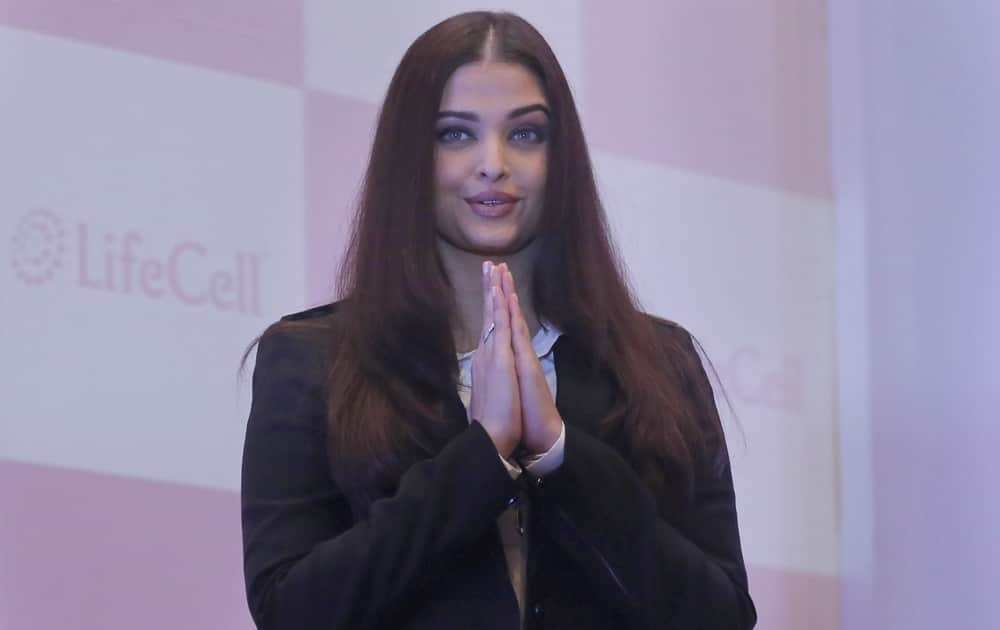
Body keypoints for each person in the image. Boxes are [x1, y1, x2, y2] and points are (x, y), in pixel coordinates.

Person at [240, 10, 756, 630]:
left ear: (562, 157)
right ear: (410, 156)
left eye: (526, 134)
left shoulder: (659, 365)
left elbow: (721, 615)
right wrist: (479, 459)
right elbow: (291, 612)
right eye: (455, 135)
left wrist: (561, 453)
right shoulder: (310, 360)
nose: (493, 164)